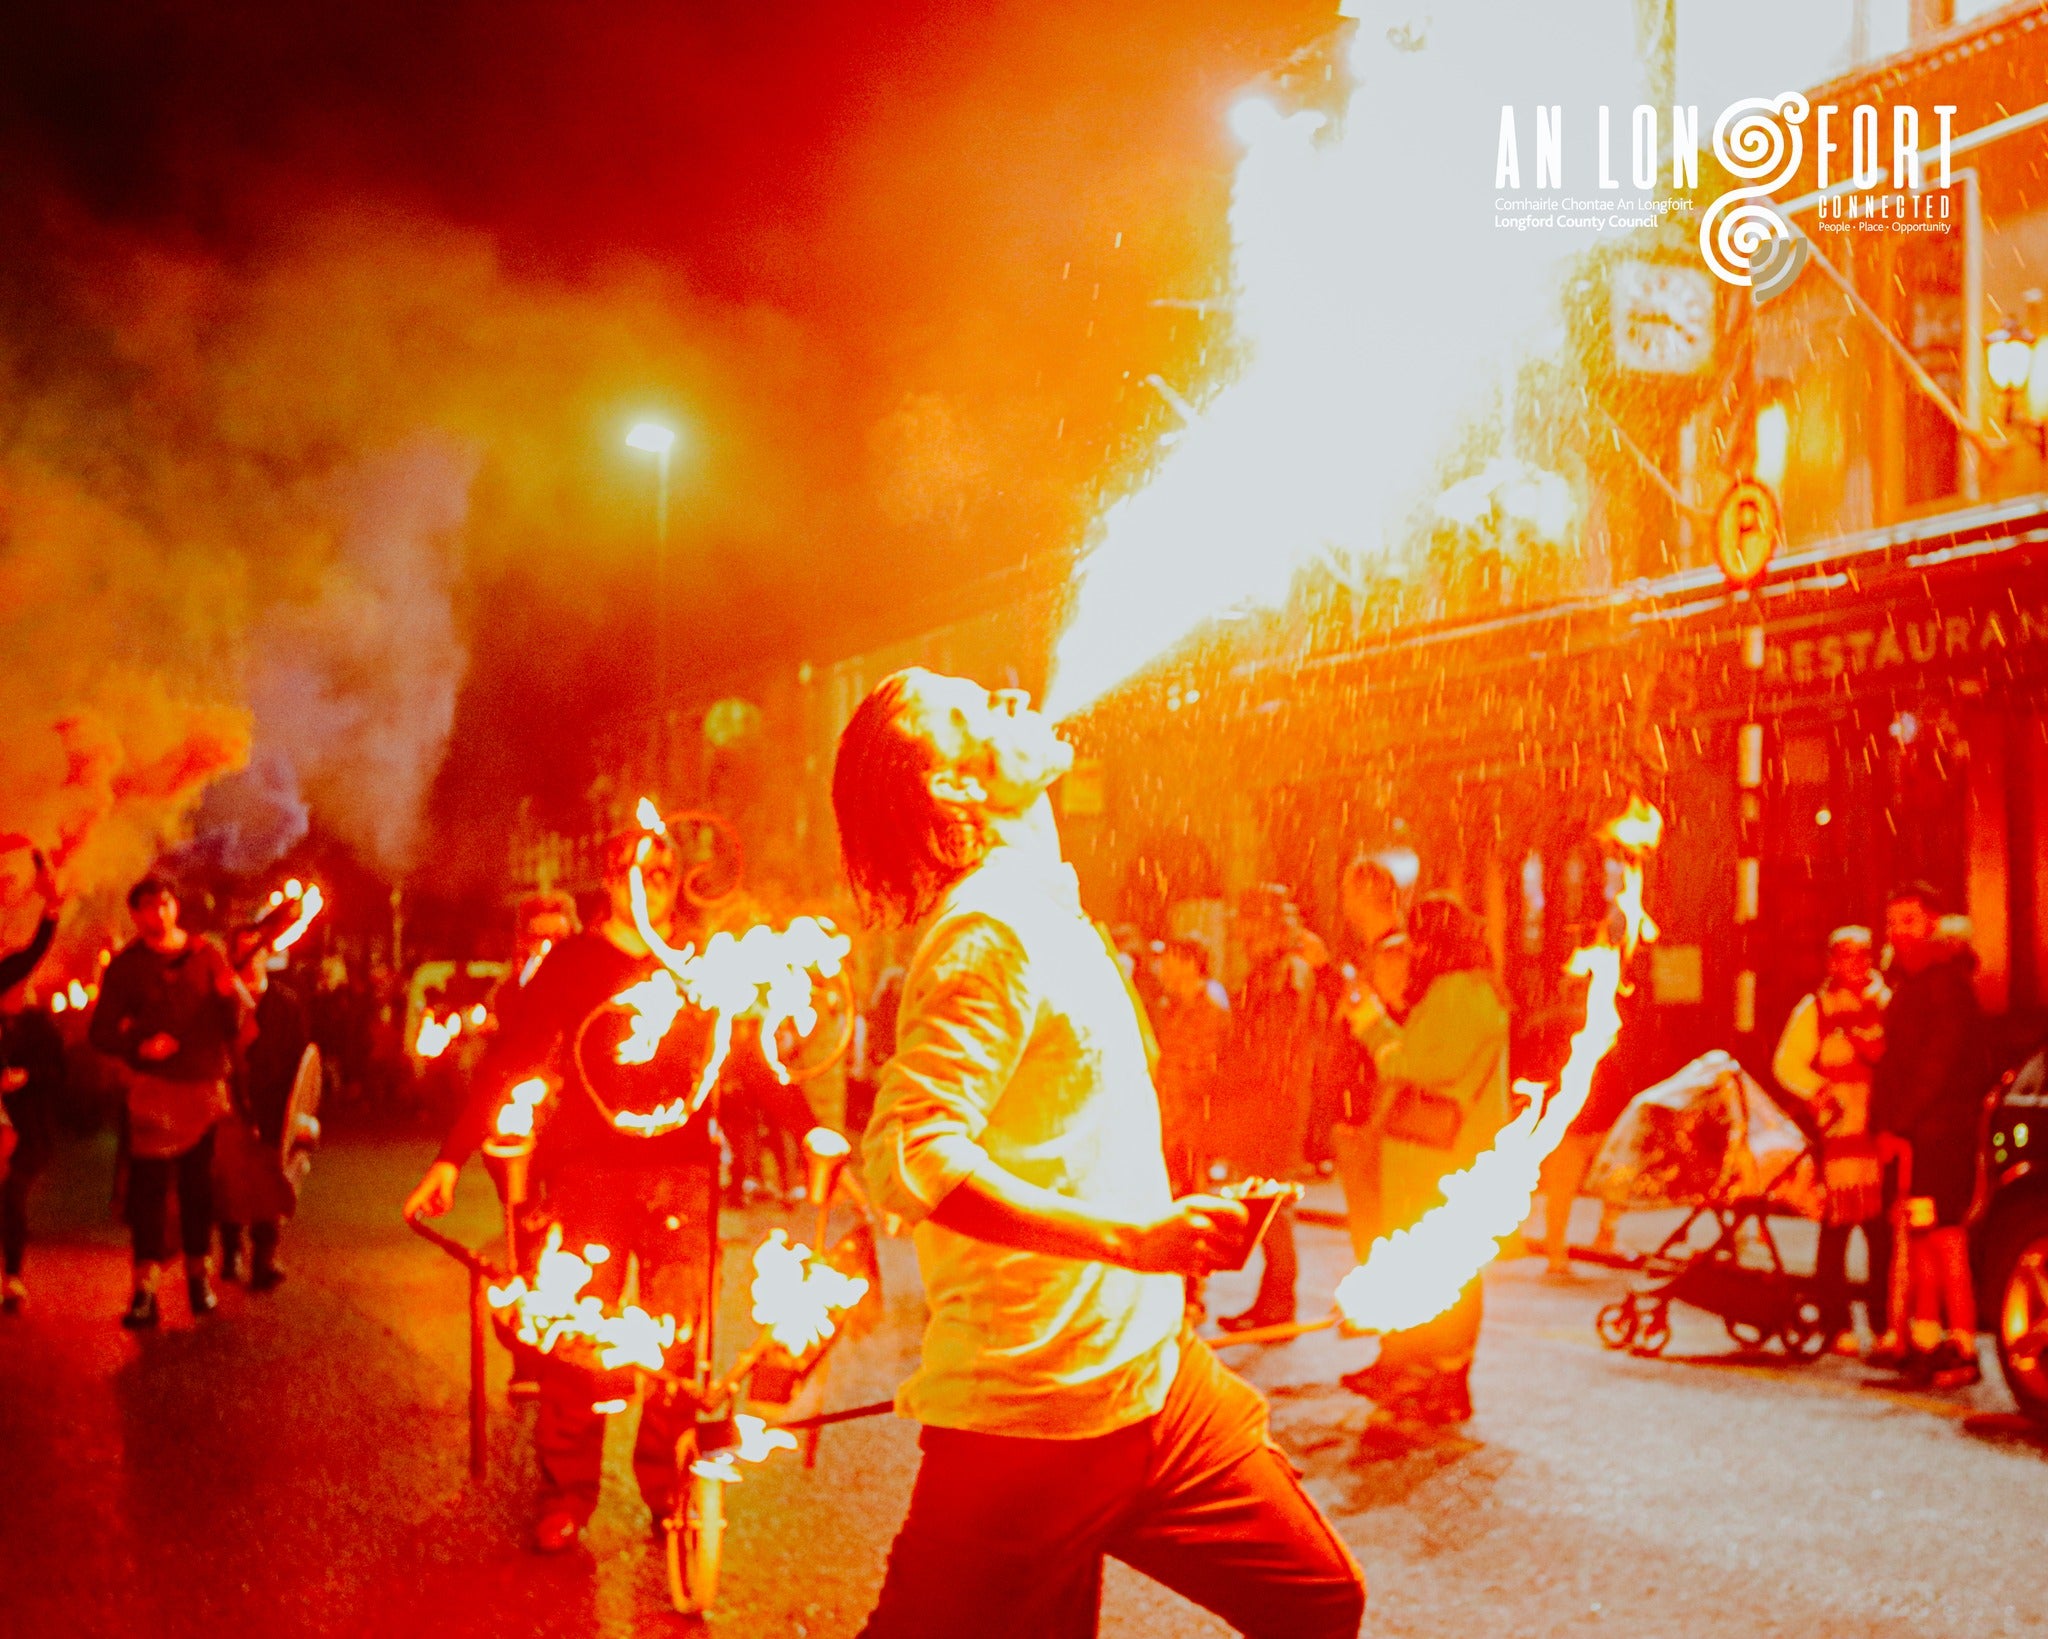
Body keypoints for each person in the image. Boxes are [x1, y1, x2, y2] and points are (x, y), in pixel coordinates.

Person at [834, 668, 1364, 1639]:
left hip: (1150, 1383)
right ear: (954, 787)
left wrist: (1171, 1227)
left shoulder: (1040, 903)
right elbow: (911, 1154)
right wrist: (1133, 1237)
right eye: (972, 710)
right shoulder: (988, 926)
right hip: (1028, 1420)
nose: (1004, 696)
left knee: (1317, 1597)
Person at [406, 826, 718, 1554]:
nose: (653, 882)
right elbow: (510, 1060)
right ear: (610, 880)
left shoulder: (704, 963)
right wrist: (451, 1157)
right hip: (590, 1175)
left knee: (677, 1347)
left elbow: (755, 1063)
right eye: (637, 871)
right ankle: (567, 1490)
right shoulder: (573, 963)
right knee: (579, 1336)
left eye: (665, 871)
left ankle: (670, 1489)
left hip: (683, 1173)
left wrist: (810, 1134)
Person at [1338, 894, 1511, 1436]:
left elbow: (1418, 1063)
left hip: (1444, 1160)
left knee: (1450, 1274)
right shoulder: (1461, 989)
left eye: (1419, 939)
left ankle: (1444, 1380)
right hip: (1431, 1155)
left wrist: (1372, 1025)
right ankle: (1415, 1370)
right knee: (1431, 1267)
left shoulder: (1462, 991)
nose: (1412, 950)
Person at [91, 876, 249, 1328]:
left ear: (175, 907)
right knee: (149, 1195)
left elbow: (234, 1023)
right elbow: (100, 1031)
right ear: (136, 914)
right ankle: (145, 1290)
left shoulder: (208, 955)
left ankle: (199, 1280)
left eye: (164, 903)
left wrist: (226, 999)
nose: (157, 913)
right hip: (153, 1091)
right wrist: (139, 1047)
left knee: (199, 1190)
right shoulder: (125, 967)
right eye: (147, 906)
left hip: (202, 1085)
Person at [1872, 884, 1984, 1390]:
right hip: (1923, 1134)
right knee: (1923, 1243)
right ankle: (1929, 1344)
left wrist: (1897, 1126)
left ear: (1934, 924)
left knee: (1943, 1242)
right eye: (1893, 921)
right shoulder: (1916, 983)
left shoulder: (1942, 986)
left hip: (1938, 1136)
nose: (1899, 930)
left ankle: (1959, 1348)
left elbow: (1932, 1068)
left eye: (1910, 920)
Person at [1213, 883, 1324, 1333]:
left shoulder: (1285, 972)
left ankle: (1278, 1300)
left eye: (1246, 920)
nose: (1240, 930)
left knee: (1273, 1204)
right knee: (1268, 1203)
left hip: (1272, 1106)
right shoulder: (1270, 968)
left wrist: (1240, 1084)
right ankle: (1272, 1298)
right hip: (1263, 1102)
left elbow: (1273, 1048)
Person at [1772, 926, 1889, 1355]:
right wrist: (1820, 1092)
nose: (1855, 963)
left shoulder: (1885, 1003)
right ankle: (1837, 1323)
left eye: (1862, 955)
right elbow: (1787, 1063)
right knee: (1836, 1229)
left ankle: (1881, 1324)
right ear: (1831, 962)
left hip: (1877, 1130)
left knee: (1881, 1234)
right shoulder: (1816, 1009)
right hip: (1839, 1133)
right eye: (1845, 956)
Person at [217, 933, 313, 1291]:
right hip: (229, 1102)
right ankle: (231, 1251)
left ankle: (264, 1258)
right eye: (244, 950)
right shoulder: (221, 1002)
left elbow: (299, 1056)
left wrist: (298, 1109)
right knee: (229, 1182)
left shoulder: (285, 1002)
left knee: (269, 1183)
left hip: (274, 1105)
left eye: (258, 949)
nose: (253, 957)